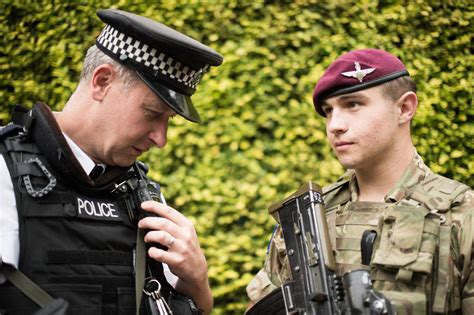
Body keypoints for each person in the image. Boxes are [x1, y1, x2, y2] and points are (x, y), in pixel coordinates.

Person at [0, 9, 222, 314]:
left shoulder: (143, 194)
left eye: (169, 121)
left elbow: (197, 308)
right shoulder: (4, 170)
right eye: (153, 114)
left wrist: (197, 280)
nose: (161, 139)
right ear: (102, 81)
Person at [246, 49, 473, 313]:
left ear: (404, 108)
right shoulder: (307, 218)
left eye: (353, 104)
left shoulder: (459, 213)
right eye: (328, 111)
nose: (334, 125)